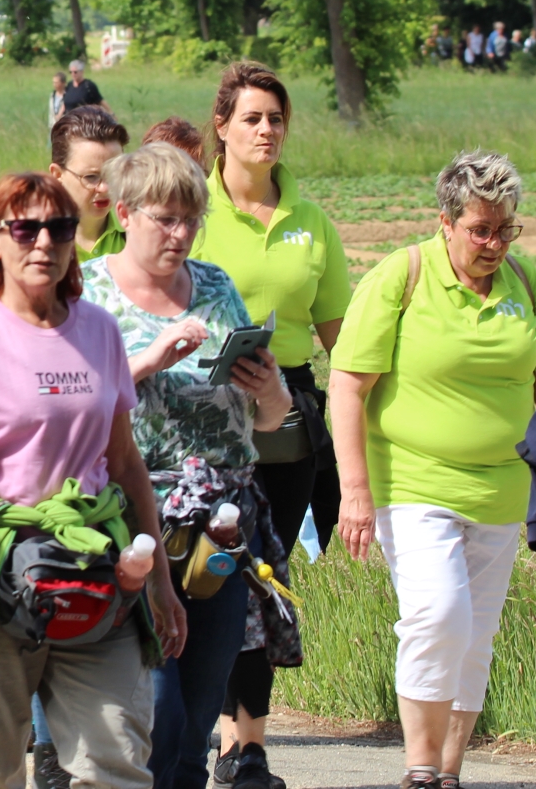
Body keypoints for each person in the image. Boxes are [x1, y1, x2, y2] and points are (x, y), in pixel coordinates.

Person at [0, 172, 184, 789]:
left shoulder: (98, 330)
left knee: (116, 761)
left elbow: (125, 464)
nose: (43, 243)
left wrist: (161, 579)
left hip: (94, 565)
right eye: (25, 229)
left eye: (59, 229)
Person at [331, 150, 536, 789]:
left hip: (501, 490)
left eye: (505, 229)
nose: (494, 244)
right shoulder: (401, 275)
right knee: (439, 614)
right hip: (412, 482)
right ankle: (420, 768)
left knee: (476, 632)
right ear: (446, 222)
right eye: (480, 229)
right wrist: (355, 490)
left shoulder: (528, 284)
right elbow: (347, 385)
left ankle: (449, 773)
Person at [79, 145, 293, 789]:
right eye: (166, 219)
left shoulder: (216, 286)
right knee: (158, 707)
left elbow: (269, 420)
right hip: (132, 519)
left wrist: (270, 389)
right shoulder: (87, 293)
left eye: (191, 219)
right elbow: (68, 410)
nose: (181, 234)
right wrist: (148, 361)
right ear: (125, 213)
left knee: (199, 710)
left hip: (221, 522)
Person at [190, 63, 350, 789]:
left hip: (286, 412)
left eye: (276, 119)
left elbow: (343, 340)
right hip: (201, 408)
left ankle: (245, 748)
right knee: (209, 572)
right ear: (222, 126)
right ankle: (198, 726)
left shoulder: (311, 221)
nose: (266, 131)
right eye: (252, 118)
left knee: (263, 576)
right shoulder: (194, 211)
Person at [50, 106, 130, 261]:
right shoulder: (36, 239)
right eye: (91, 177)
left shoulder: (137, 232)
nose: (105, 188)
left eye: (114, 174)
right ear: (57, 175)